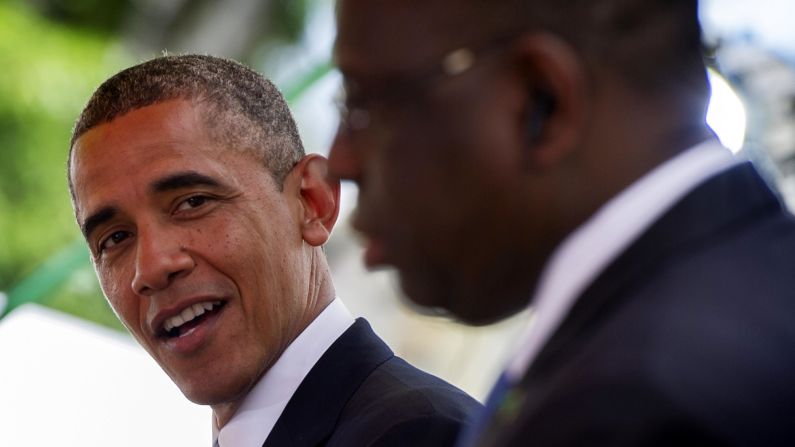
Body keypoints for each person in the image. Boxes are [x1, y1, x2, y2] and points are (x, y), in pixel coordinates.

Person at [329, 0, 795, 445]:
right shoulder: (748, 293)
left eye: (361, 103)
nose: (338, 161)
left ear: (541, 99)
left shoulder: (637, 411)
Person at [67, 54, 480, 447]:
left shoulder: (422, 434)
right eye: (115, 239)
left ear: (312, 202)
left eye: (193, 202)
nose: (152, 267)